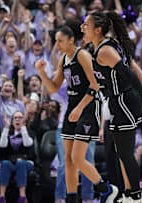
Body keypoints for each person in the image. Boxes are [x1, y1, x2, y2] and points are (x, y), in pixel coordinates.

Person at [81, 11, 142, 202]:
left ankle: (136, 196)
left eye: (86, 25)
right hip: (117, 101)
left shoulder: (105, 50)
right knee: (121, 153)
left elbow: (127, 73)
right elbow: (132, 63)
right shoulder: (104, 46)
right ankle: (127, 193)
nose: (82, 28)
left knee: (125, 153)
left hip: (124, 100)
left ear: (98, 30)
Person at [35, 23, 116, 203]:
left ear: (71, 40)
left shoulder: (83, 55)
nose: (58, 45)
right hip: (72, 109)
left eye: (61, 41)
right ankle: (71, 199)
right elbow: (54, 88)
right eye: (56, 41)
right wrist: (41, 73)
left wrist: (79, 108)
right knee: (69, 161)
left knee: (78, 159)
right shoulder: (64, 59)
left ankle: (106, 189)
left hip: (87, 109)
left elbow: (95, 85)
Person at [0, 111, 34, 203]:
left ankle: (22, 196)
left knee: (20, 163)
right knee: (5, 163)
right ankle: (2, 196)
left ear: (24, 120)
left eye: (20, 118)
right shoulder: (8, 133)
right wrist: (6, 127)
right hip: (11, 162)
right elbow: (2, 145)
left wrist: (23, 127)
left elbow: (27, 144)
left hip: (26, 162)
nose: (17, 119)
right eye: (15, 118)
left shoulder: (29, 132)